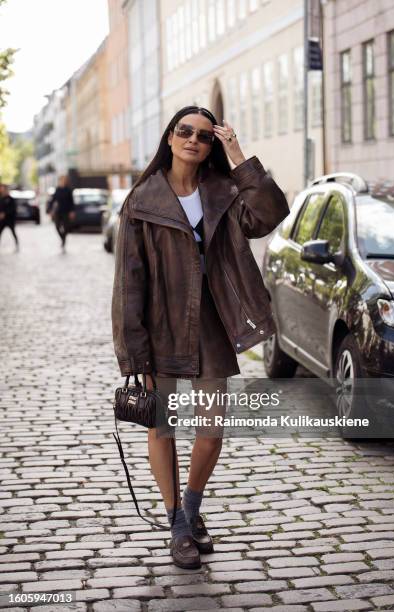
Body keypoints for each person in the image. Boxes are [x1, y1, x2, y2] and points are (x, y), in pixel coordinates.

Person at [111, 105, 290, 569]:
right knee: (162, 427)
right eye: (185, 131)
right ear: (170, 138)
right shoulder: (141, 201)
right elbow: (129, 283)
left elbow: (269, 215)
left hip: (211, 327)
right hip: (160, 328)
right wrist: (133, 353)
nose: (194, 139)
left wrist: (240, 157)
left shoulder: (224, 191)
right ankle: (177, 525)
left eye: (205, 136)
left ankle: (190, 509)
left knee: (211, 430)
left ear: (212, 145)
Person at [46, 175, 75, 251]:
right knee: (57, 226)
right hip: (58, 211)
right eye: (61, 180)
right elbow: (52, 200)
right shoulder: (57, 189)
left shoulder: (68, 190)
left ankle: (64, 239)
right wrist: (50, 210)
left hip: (66, 211)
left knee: (66, 227)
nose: (62, 182)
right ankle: (62, 238)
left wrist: (72, 211)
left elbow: (72, 202)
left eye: (63, 180)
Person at [0, 183, 19, 251]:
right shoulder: (1, 198)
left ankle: (17, 245)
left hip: (10, 220)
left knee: (13, 232)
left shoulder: (10, 199)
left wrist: (5, 213)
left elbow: (13, 209)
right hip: (2, 221)